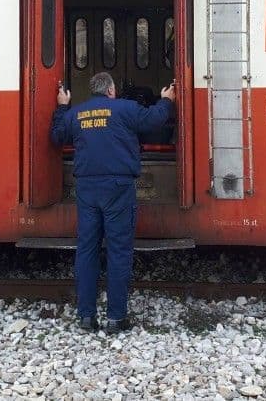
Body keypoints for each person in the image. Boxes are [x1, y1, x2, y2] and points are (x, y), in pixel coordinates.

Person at [51, 72, 176, 334]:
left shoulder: (78, 113)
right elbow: (155, 121)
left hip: (86, 187)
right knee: (118, 251)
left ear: (93, 91)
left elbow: (57, 136)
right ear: (111, 91)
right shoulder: (126, 109)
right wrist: (166, 100)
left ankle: (86, 318)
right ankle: (116, 319)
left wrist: (63, 106)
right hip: (118, 188)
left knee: (87, 250)